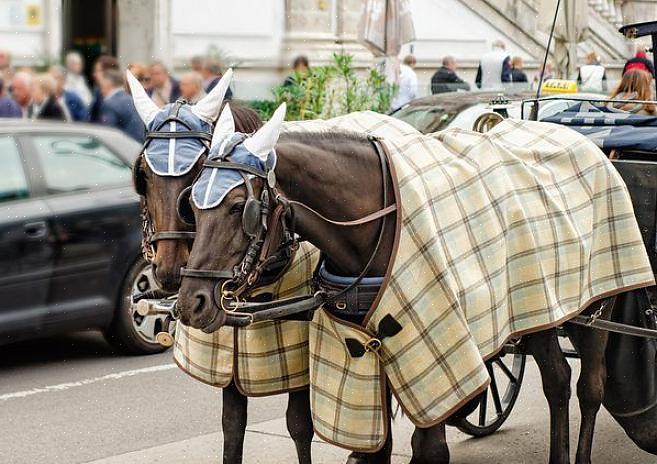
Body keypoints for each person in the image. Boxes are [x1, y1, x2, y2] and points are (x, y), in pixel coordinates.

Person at [99, 69, 145, 141]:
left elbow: (108, 133)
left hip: (123, 147)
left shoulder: (110, 104)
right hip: (139, 144)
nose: (100, 89)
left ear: (108, 84)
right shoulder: (131, 99)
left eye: (101, 85)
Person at [88, 55, 120, 122]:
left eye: (97, 71)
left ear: (109, 73)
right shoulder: (99, 93)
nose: (94, 74)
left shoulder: (118, 97)